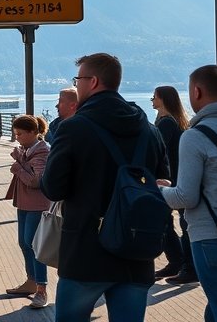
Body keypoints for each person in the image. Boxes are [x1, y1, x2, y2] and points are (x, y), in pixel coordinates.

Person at [41, 52, 169, 322]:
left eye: (78, 80)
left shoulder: (72, 128)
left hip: (86, 253)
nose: (76, 86)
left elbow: (53, 189)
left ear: (93, 81)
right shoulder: (149, 130)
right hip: (137, 251)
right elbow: (163, 184)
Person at [158, 65, 217, 322]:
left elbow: (186, 197)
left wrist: (159, 191)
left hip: (211, 239)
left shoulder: (195, 137)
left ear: (196, 91)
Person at [4, 114, 51, 309]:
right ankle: (31, 280)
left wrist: (18, 168)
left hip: (37, 203)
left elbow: (35, 181)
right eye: (15, 134)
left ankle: (41, 288)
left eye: (20, 134)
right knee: (24, 242)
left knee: (34, 244)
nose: (17, 137)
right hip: (24, 202)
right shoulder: (26, 149)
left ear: (33, 132)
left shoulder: (42, 152)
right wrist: (20, 159)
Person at [151, 85, 195, 285]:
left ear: (162, 99)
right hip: (176, 178)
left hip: (172, 180)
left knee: (177, 223)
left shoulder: (166, 123)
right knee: (170, 223)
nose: (152, 99)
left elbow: (159, 152)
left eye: (155, 96)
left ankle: (186, 266)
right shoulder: (171, 121)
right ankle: (179, 262)